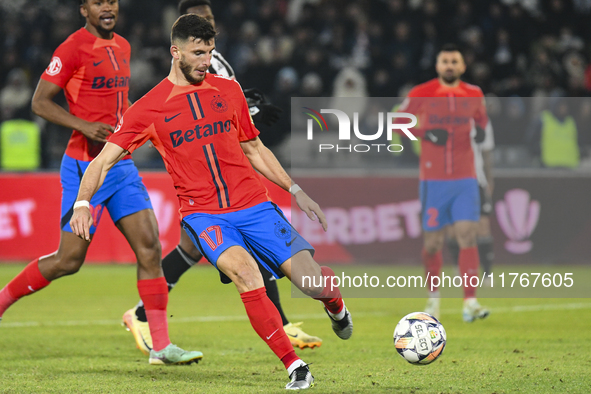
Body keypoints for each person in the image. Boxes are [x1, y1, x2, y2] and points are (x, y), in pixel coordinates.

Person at [70, 14, 353, 390]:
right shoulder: (147, 108)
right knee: (246, 275)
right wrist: (82, 203)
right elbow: (102, 160)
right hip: (205, 216)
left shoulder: (229, 91)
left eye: (211, 52)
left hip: (254, 206)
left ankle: (334, 304)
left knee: (311, 283)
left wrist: (295, 190)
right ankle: (295, 366)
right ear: (176, 52)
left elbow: (254, 148)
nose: (206, 60)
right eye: (198, 52)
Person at [0, 0, 202, 366]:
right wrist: (83, 125)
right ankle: (1, 302)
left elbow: (119, 103)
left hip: (120, 165)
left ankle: (161, 346)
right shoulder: (71, 49)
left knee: (150, 248)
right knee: (68, 260)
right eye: (98, 2)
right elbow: (39, 102)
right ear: (84, 10)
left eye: (111, 1)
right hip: (83, 165)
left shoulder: (123, 46)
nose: (107, 7)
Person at [122, 0, 321, 355]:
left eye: (211, 24)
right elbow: (193, 105)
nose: (209, 33)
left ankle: (142, 315)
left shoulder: (217, 61)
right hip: (203, 181)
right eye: (203, 24)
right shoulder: (186, 71)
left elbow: (222, 104)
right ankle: (142, 315)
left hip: (225, 179)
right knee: (229, 256)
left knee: (197, 251)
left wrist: (250, 111)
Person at [398, 43, 490, 322]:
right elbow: (397, 123)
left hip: (465, 178)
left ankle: (470, 302)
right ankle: (433, 299)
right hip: (433, 180)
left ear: (462, 66)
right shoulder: (421, 93)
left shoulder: (474, 94)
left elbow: (481, 121)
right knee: (434, 243)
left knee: (466, 235)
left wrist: (481, 133)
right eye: (445, 61)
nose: (449, 65)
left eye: (454, 61)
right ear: (438, 66)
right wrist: (425, 132)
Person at [447, 120, 495, 285]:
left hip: (476, 180)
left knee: (482, 226)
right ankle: (457, 268)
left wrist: (489, 178)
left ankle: (487, 273)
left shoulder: (481, 122)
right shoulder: (445, 118)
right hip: (451, 180)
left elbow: (486, 152)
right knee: (453, 229)